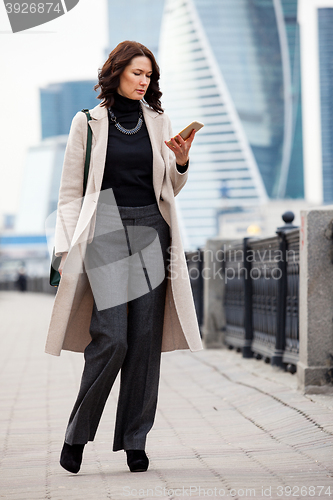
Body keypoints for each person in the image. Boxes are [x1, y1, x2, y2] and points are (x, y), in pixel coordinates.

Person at [45, 40, 203, 475]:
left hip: (152, 228)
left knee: (144, 344)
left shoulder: (159, 120)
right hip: (108, 230)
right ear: (115, 72)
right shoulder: (88, 123)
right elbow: (70, 192)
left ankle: (135, 440)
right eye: (137, 73)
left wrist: (182, 163)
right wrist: (64, 249)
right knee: (112, 338)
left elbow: (168, 188)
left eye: (149, 75)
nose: (144, 81)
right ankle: (77, 433)